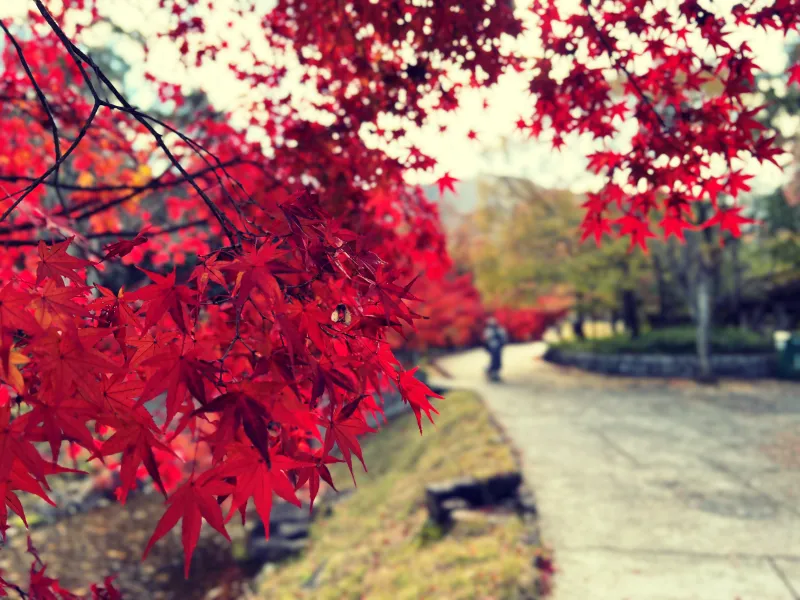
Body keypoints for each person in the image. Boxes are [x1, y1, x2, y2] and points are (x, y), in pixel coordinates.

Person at [482, 316, 508, 381]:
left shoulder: (500, 329)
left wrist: (502, 343)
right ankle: (491, 371)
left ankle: (495, 373)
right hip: (492, 347)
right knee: (494, 360)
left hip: (498, 347)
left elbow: (504, 338)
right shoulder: (488, 330)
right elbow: (487, 339)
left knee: (498, 360)